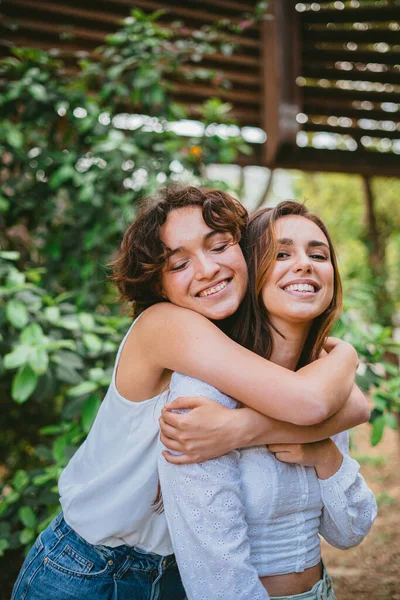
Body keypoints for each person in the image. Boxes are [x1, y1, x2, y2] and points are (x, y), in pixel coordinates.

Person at [12, 186, 368, 600]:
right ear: (158, 285)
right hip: (91, 568)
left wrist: (241, 429)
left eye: (219, 246)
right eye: (179, 263)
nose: (207, 270)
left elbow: (355, 405)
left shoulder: (234, 341)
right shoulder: (168, 324)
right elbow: (314, 403)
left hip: (177, 573)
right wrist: (345, 355)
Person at [158, 200, 377, 600]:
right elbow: (216, 575)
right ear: (250, 271)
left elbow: (350, 532)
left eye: (318, 254)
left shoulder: (323, 384)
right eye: (281, 253)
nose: (305, 264)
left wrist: (325, 456)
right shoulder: (202, 394)